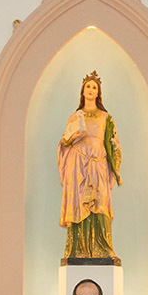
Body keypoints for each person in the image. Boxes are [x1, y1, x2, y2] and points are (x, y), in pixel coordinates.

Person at [58, 70, 122, 260]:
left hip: (99, 162)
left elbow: (113, 142)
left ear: (98, 92)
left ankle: (103, 248)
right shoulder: (75, 116)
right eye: (88, 87)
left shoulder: (106, 117)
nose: (91, 90)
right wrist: (72, 137)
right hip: (78, 163)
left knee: (100, 204)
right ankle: (79, 250)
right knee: (79, 203)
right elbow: (65, 141)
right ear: (83, 91)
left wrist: (115, 162)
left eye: (94, 87)